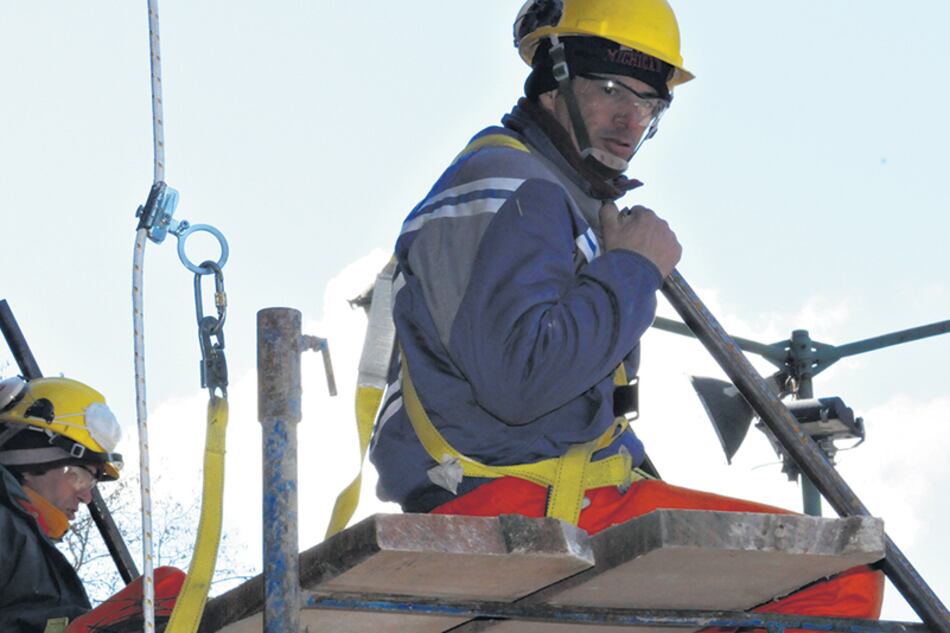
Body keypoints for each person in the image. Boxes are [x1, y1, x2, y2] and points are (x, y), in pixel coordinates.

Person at [368, 0, 883, 624]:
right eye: (611, 88)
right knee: (833, 574)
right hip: (523, 498)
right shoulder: (521, 188)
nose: (630, 118)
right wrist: (633, 269)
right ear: (554, 80)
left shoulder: (538, 191)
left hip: (523, 489)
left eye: (649, 102)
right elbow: (522, 382)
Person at [0, 375, 183, 633]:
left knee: (168, 592)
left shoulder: (30, 548)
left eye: (91, 485)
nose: (86, 497)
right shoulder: (7, 531)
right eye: (80, 476)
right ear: (29, 462)